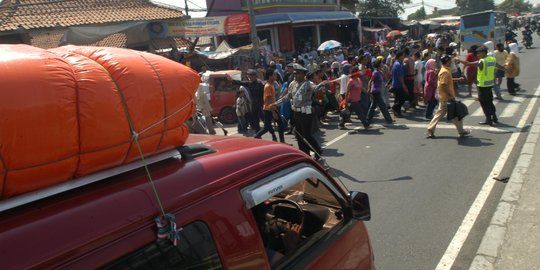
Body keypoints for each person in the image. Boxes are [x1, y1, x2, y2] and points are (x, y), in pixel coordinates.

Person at [274, 64, 324, 160]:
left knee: (306, 135)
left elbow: (317, 89)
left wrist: (321, 85)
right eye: (294, 73)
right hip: (296, 112)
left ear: (303, 74)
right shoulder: (293, 84)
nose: (295, 75)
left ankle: (317, 150)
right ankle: (305, 155)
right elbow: (288, 96)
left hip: (306, 113)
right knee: (299, 136)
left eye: (298, 73)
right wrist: (276, 103)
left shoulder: (308, 84)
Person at [426, 55, 469, 139]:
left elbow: (446, 81)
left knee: (453, 115)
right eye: (450, 61)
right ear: (447, 62)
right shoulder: (445, 71)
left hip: (445, 97)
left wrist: (456, 79)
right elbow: (443, 84)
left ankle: (461, 131)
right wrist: (450, 96)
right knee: (454, 114)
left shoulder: (445, 70)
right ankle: (461, 131)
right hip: (446, 98)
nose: (451, 62)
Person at [460, 45, 498, 125]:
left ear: (483, 53)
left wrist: (459, 60)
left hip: (482, 86)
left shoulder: (482, 61)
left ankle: (488, 119)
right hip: (489, 84)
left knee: (483, 102)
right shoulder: (492, 59)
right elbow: (498, 66)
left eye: (478, 53)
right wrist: (506, 69)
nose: (477, 55)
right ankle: (494, 117)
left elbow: (468, 63)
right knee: (490, 101)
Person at [255, 69, 286, 143]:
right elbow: (268, 100)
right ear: (270, 76)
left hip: (271, 108)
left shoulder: (271, 85)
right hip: (269, 109)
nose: (276, 76)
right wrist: (273, 112)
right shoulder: (268, 86)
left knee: (279, 125)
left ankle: (282, 141)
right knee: (267, 127)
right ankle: (256, 137)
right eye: (274, 75)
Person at [367, 60, 394, 125]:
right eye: (381, 63)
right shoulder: (375, 72)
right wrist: (369, 89)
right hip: (375, 91)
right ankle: (389, 119)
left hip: (378, 90)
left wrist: (387, 84)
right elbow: (370, 81)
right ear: (378, 65)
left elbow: (384, 79)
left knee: (373, 106)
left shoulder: (380, 72)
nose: (382, 64)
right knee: (382, 106)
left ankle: (367, 120)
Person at [391, 50, 408, 117]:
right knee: (401, 99)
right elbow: (400, 77)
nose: (404, 57)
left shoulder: (397, 63)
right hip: (398, 84)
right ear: (400, 56)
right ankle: (395, 108)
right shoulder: (398, 65)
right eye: (403, 56)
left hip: (395, 83)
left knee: (397, 99)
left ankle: (397, 112)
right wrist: (403, 85)